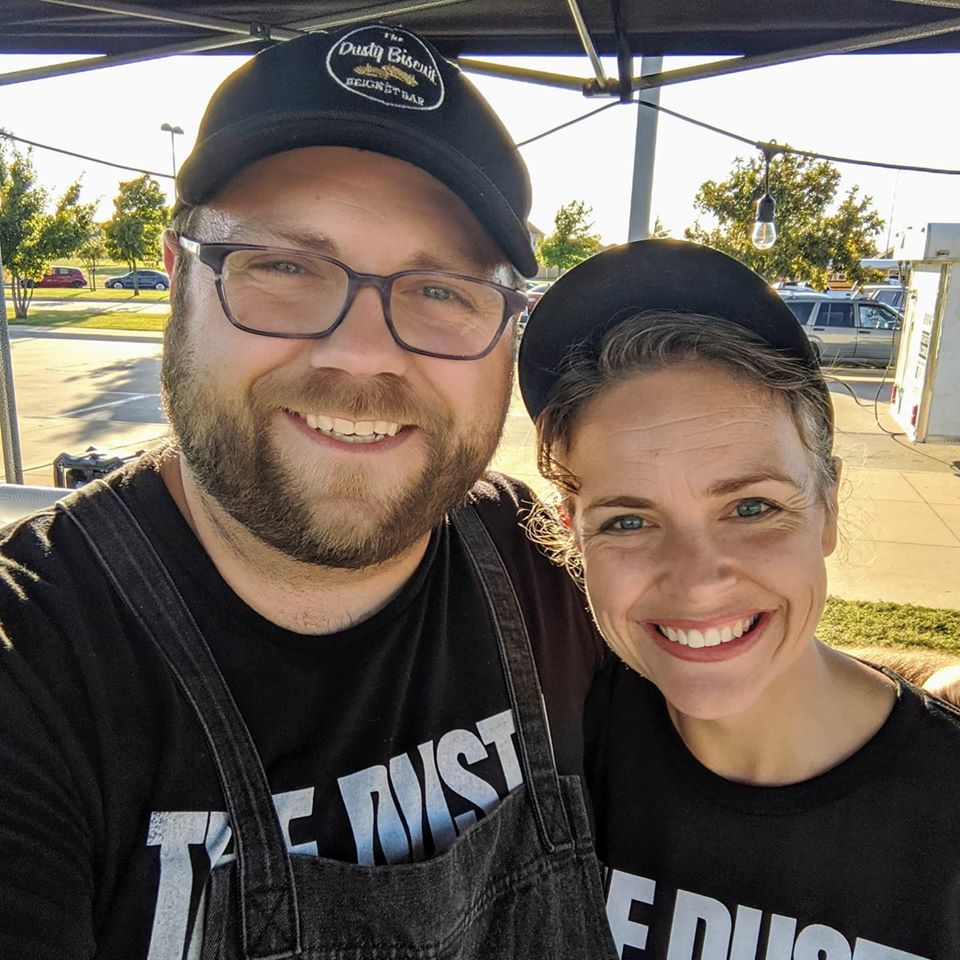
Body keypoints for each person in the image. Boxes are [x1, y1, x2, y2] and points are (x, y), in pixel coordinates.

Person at [0, 25, 616, 960]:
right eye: (285, 267)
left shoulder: (543, 570)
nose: (365, 352)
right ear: (179, 277)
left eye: (442, 290)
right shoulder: (34, 673)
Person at [518, 239, 960, 960]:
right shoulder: (555, 756)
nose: (696, 580)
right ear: (575, 537)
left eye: (751, 507)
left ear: (828, 506)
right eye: (629, 521)